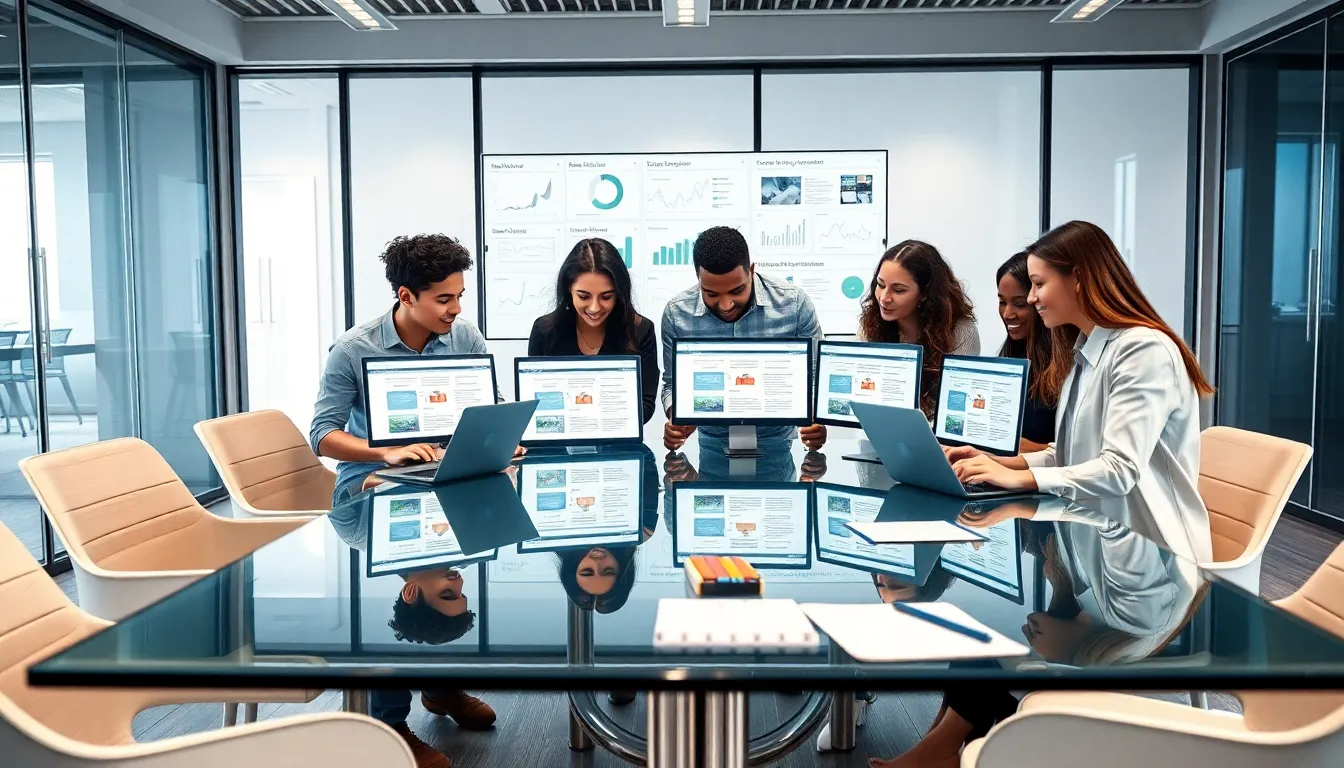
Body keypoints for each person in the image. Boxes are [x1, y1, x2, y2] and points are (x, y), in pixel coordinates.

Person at [307, 234, 496, 768]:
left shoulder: (464, 336)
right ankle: (389, 727)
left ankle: (440, 687)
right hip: (367, 487)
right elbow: (321, 435)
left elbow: (485, 406)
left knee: (456, 574)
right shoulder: (353, 348)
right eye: (444, 299)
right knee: (413, 582)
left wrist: (495, 438)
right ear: (407, 295)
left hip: (447, 475)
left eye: (460, 296)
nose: (456, 310)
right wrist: (382, 454)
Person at [947, 220, 1215, 565]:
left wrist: (1021, 479)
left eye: (1039, 284)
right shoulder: (1085, 351)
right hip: (1099, 543)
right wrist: (997, 462)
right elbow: (1070, 454)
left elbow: (1118, 471)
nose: (1031, 298)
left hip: (1153, 559)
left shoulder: (1142, 350)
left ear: (1077, 279)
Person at [660, 226, 827, 451]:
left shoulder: (794, 305)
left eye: (737, 290)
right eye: (711, 294)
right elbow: (671, 385)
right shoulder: (676, 314)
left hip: (778, 442)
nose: (726, 305)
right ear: (698, 278)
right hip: (712, 444)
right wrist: (677, 417)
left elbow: (815, 377)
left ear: (751, 270)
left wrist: (815, 419)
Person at [528, 238, 659, 424]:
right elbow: (538, 402)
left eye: (606, 297)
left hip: (618, 443)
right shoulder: (545, 331)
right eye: (583, 296)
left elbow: (645, 407)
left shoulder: (640, 330)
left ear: (619, 293)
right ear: (569, 289)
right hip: (559, 443)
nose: (594, 308)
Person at [858, 240, 979, 418]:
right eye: (881, 285)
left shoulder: (961, 332)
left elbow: (956, 408)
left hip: (939, 439)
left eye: (898, 290)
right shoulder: (869, 325)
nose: (884, 298)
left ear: (925, 293)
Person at [995, 251, 1057, 451]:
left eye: (1019, 304)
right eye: (1002, 302)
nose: (1007, 314)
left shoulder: (1065, 366)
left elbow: (1074, 453)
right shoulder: (1011, 355)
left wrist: (1023, 447)